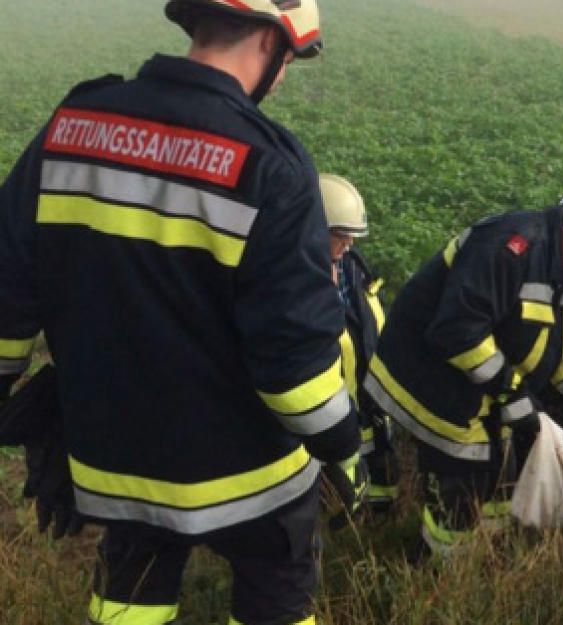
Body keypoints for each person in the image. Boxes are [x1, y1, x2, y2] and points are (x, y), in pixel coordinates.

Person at [0, 2, 366, 623]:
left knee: (129, 594)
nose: (281, 78)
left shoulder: (72, 126)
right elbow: (292, 370)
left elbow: (8, 293)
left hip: (115, 462)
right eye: (287, 62)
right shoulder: (269, 166)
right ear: (270, 41)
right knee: (278, 589)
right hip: (249, 477)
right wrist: (340, 440)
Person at [364, 203, 563, 556]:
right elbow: (457, 331)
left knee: (507, 468)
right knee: (468, 473)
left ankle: (484, 550)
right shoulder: (509, 248)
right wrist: (512, 393)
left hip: (481, 382)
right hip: (429, 378)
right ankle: (441, 564)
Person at [320, 173, 399, 513]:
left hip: (371, 402)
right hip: (332, 411)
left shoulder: (354, 271)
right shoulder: (292, 287)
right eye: (341, 236)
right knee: (335, 488)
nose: (350, 244)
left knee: (379, 471)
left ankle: (378, 521)